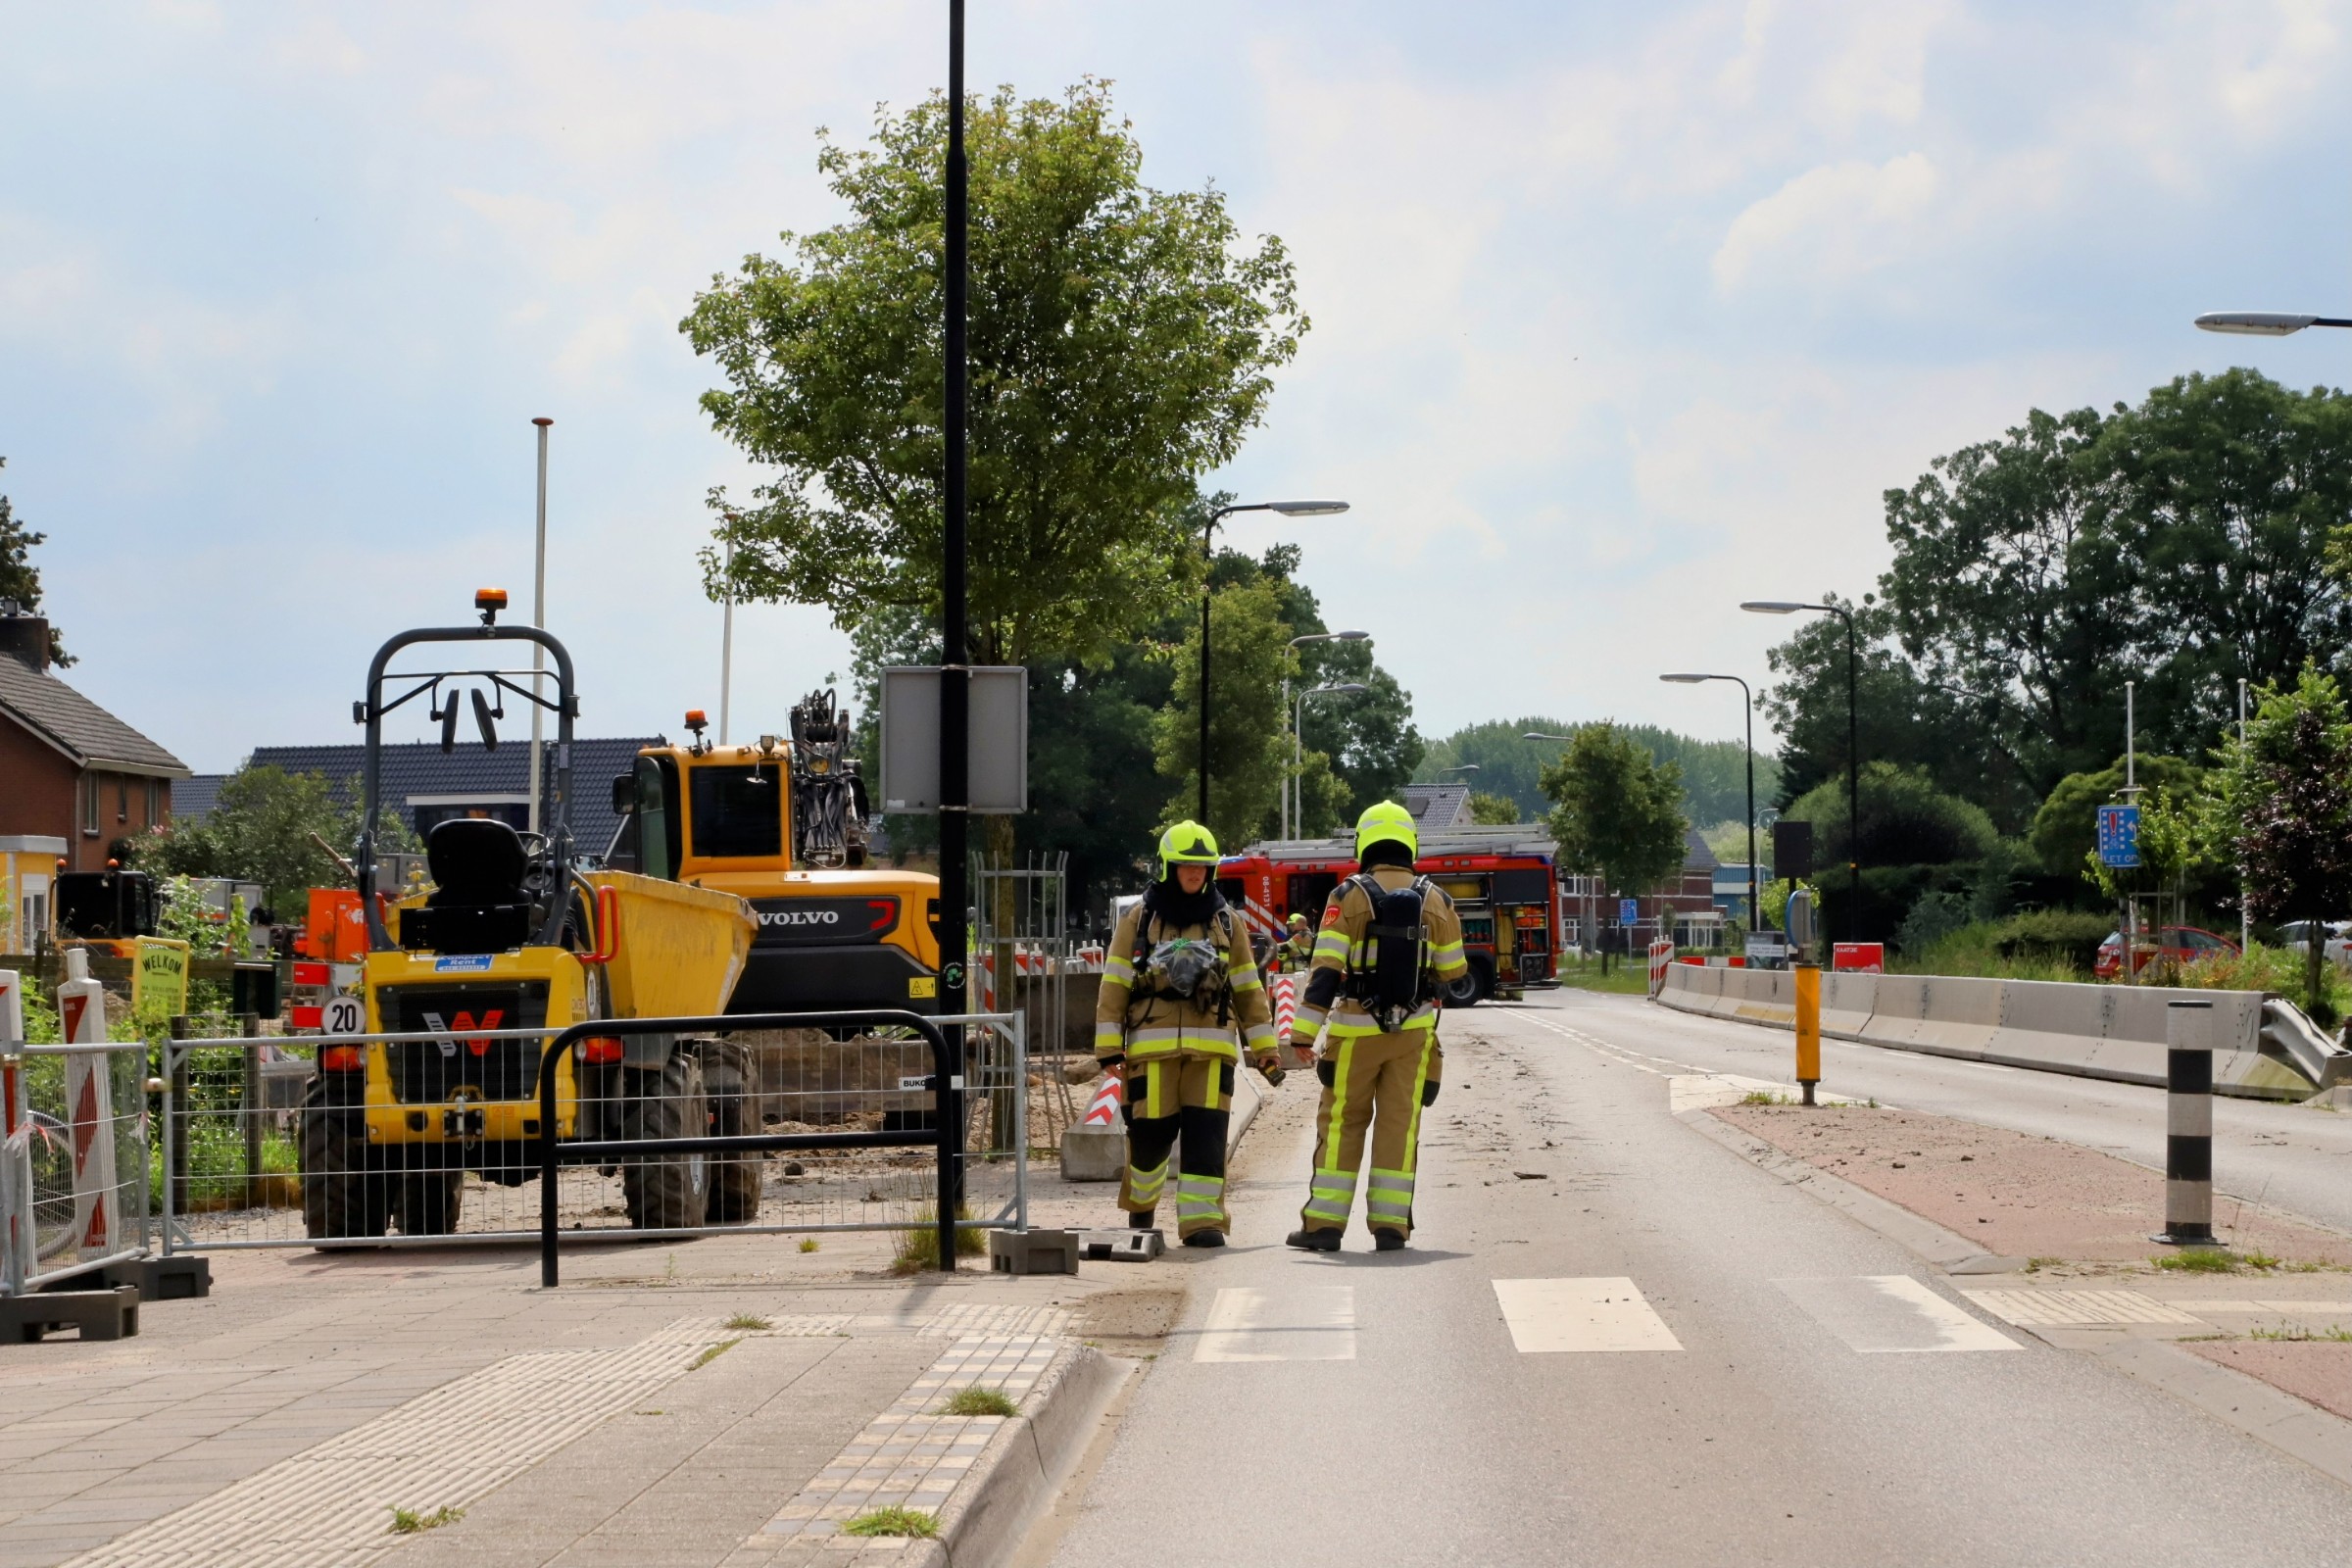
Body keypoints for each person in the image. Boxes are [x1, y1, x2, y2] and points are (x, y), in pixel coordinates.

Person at [1285, 801, 1468, 1252]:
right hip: (1413, 1034)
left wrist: (1304, 1034)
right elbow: (1454, 972)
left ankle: (1323, 1226)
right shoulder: (1437, 899)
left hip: (1354, 1032)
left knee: (1343, 1121)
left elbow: (1325, 968)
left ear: (1365, 843)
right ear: (1410, 843)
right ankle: (1391, 1226)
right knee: (1399, 1125)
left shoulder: (1346, 896)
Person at [1095, 821, 1282, 1247]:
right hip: (1151, 1053)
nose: (1196, 874)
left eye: (1203, 867)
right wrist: (1108, 1048)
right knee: (1150, 1140)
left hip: (1212, 1054)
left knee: (1207, 1139)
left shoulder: (1226, 922)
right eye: (1186, 866)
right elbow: (1115, 983)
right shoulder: (1138, 920)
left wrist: (1265, 1046)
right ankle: (1141, 1204)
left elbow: (1248, 988)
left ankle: (1203, 1223)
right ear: (1167, 867)